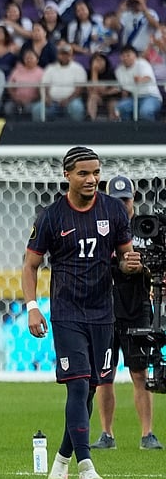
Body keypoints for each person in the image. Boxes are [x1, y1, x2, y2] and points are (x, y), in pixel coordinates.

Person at [22, 146, 139, 479]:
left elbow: (124, 257)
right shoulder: (51, 216)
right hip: (66, 312)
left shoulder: (114, 210)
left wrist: (129, 263)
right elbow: (31, 266)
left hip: (104, 313)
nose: (92, 179)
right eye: (84, 173)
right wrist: (32, 308)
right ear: (67, 175)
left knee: (89, 388)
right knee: (77, 387)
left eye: (96, 173)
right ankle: (86, 466)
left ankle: (60, 460)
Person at [91, 175, 163, 451]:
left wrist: (142, 268)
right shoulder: (98, 228)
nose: (123, 205)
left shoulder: (148, 229)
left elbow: (158, 266)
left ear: (134, 199)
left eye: (127, 199)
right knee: (104, 375)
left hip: (138, 309)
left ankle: (148, 433)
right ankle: (106, 434)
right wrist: (121, 266)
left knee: (140, 373)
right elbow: (93, 266)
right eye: (117, 200)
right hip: (104, 311)